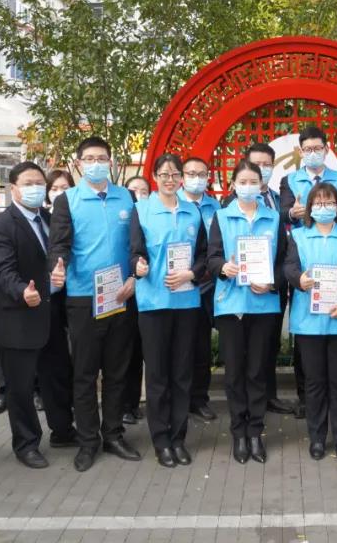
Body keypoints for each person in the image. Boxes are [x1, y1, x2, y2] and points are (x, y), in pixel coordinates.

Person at [48, 136, 142, 472]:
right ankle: (88, 440)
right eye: (89, 159)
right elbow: (59, 244)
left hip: (120, 295)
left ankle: (113, 434)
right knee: (85, 373)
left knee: (117, 371)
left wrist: (134, 276)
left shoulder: (127, 197)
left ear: (111, 162)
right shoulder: (68, 200)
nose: (96, 163)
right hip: (83, 296)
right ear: (79, 164)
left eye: (102, 158)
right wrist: (57, 265)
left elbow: (137, 244)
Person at [0, 162, 76, 470]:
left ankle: (63, 431)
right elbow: (2, 270)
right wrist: (23, 290)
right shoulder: (1, 225)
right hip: (18, 319)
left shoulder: (49, 219)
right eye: (28, 183)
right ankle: (26, 444)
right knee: (21, 388)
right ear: (13, 188)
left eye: (39, 183)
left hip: (51, 316)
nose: (35, 188)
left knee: (57, 377)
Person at [130, 154, 209, 467]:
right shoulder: (142, 210)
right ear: (154, 176)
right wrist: (138, 265)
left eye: (175, 174)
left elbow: (204, 255)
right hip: (154, 303)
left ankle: (178, 438)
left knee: (182, 373)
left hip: (186, 302)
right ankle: (161, 440)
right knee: (158, 375)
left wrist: (191, 273)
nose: (170, 179)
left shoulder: (192, 212)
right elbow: (134, 251)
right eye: (164, 174)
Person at [207, 160, 285, 464]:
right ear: (233, 184)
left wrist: (272, 282)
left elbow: (283, 262)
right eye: (243, 181)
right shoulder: (221, 216)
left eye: (254, 181)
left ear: (262, 185)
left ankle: (255, 432)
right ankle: (238, 433)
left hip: (263, 306)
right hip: (231, 305)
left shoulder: (273, 218)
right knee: (235, 372)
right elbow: (212, 257)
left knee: (257, 371)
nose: (249, 186)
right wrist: (223, 268)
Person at [283, 182, 337, 461]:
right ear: (309, 207)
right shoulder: (298, 235)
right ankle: (317, 438)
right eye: (318, 203)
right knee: (315, 382)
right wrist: (299, 279)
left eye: (329, 202)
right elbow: (289, 266)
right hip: (309, 322)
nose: (324, 207)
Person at [247, 142, 304, 418]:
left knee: (269, 342)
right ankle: (249, 400)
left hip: (276, 282)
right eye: (255, 164)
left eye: (266, 164)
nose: (261, 169)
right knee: (249, 346)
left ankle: (269, 396)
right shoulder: (233, 202)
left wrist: (278, 279)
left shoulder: (277, 198)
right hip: (247, 286)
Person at [179, 156, 222, 422]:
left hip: (207, 287)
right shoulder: (173, 203)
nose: (196, 178)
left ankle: (199, 399)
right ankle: (178, 400)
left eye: (202, 174)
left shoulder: (215, 206)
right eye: (191, 173)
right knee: (180, 347)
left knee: (201, 347)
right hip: (179, 285)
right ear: (182, 177)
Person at [120, 172, 155, 425]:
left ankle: (134, 403)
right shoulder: (121, 217)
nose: (139, 196)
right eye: (134, 191)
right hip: (121, 289)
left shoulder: (151, 216)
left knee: (142, 352)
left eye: (144, 192)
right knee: (125, 350)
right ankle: (123, 405)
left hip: (147, 289)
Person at [279, 125, 337, 228]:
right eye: (308, 149)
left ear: (326, 149)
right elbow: (283, 213)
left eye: (317, 148)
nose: (313, 153)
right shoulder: (289, 180)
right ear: (301, 152)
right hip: (302, 236)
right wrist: (292, 213)